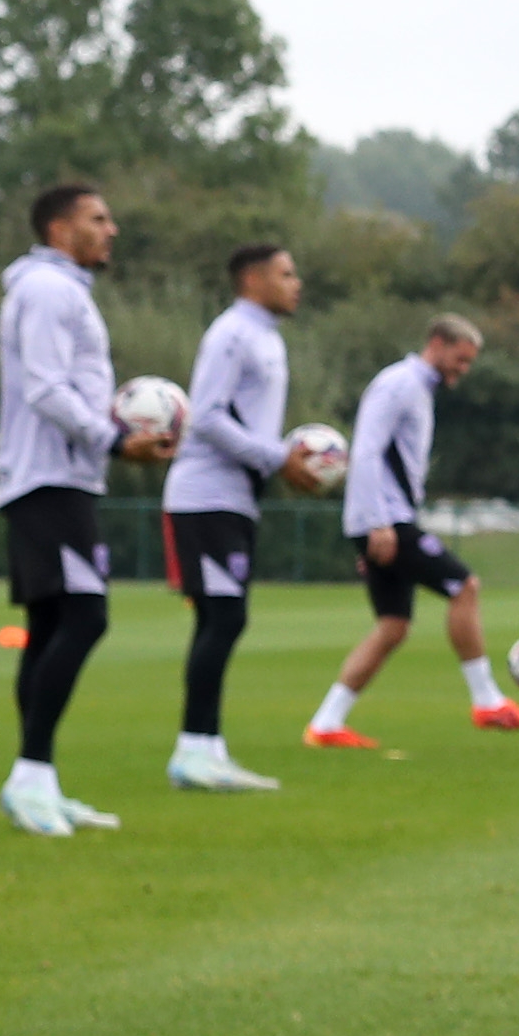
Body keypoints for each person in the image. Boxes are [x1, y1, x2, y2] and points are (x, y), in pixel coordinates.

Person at [0, 180, 171, 834]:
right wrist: (117, 438)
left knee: (49, 626)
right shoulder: (46, 290)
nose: (112, 228)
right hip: (47, 479)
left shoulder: (62, 291)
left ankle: (37, 779)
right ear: (61, 231)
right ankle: (30, 775)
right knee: (86, 616)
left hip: (58, 477)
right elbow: (45, 387)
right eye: (99, 218)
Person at [307, 318, 519, 749]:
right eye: (460, 359)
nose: (463, 369)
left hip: (388, 519)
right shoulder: (400, 384)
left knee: (393, 627)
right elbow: (368, 450)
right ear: (436, 344)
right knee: (464, 587)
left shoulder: (418, 388)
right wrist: (376, 524)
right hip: (386, 521)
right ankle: (487, 702)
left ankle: (326, 724)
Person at [161, 243, 336, 790]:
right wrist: (277, 458)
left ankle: (205, 749)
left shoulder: (265, 337)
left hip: (233, 497)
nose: (297, 283)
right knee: (224, 618)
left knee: (223, 619)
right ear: (254, 280)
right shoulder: (231, 334)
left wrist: (285, 451)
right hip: (204, 495)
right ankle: (194, 751)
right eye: (287, 274)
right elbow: (206, 417)